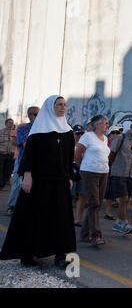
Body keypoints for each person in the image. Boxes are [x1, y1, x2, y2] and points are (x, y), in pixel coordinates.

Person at [0, 95, 76, 269]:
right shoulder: (38, 131)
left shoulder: (68, 131)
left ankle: (60, 255)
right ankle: (28, 253)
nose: (63, 108)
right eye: (59, 105)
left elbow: (69, 158)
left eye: (64, 105)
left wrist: (69, 177)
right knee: (35, 216)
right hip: (39, 181)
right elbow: (29, 155)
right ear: (50, 107)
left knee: (61, 218)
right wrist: (27, 176)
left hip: (60, 181)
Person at [75, 114, 110, 246]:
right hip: (90, 173)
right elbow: (78, 153)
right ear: (97, 124)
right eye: (105, 123)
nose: (107, 125)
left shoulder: (105, 138)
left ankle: (84, 234)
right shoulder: (88, 136)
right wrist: (81, 168)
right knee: (93, 203)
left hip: (103, 173)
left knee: (97, 204)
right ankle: (96, 236)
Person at [109, 119, 132, 234]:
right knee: (124, 199)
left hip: (131, 174)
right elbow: (112, 153)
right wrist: (112, 168)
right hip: (120, 173)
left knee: (125, 201)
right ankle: (124, 223)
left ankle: (118, 222)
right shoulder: (120, 138)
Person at [5, 107, 39, 215]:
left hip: (38, 163)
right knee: (17, 185)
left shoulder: (43, 128)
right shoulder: (22, 128)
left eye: (39, 114)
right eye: (35, 114)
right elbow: (25, 145)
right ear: (30, 115)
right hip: (22, 161)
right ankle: (11, 206)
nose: (38, 117)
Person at [103, 124, 122, 220]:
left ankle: (109, 212)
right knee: (106, 191)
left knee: (112, 191)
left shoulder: (120, 143)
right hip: (106, 168)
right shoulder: (105, 142)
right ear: (109, 134)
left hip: (116, 169)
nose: (115, 135)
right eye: (113, 133)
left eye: (117, 133)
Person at [71, 125, 86, 227]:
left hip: (82, 172)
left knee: (82, 195)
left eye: (81, 133)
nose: (80, 135)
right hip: (71, 172)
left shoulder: (85, 145)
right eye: (77, 133)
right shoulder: (68, 144)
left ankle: (78, 219)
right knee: (70, 196)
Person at [0, 118, 16, 191]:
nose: (11, 124)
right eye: (9, 123)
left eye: (12, 123)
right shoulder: (1, 132)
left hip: (11, 154)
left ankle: (5, 182)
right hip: (2, 154)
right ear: (6, 124)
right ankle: (1, 185)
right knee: (1, 169)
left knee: (9, 170)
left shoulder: (15, 132)